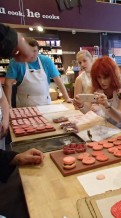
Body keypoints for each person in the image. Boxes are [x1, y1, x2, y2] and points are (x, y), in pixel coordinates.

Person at [0, 23, 44, 218]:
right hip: (25, 105)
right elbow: (7, 86)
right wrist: (18, 41)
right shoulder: (16, 64)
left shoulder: (44, 62)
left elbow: (1, 96)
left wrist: (13, 157)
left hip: (44, 104)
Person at [74, 56, 121, 134]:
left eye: (106, 77)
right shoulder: (96, 86)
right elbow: (88, 111)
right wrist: (81, 105)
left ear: (113, 75)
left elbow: (119, 117)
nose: (102, 82)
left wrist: (107, 105)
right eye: (99, 77)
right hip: (108, 127)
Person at [4, 38, 72, 107]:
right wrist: (8, 105)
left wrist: (67, 98)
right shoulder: (16, 61)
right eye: (29, 51)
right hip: (24, 104)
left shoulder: (46, 61)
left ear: (38, 50)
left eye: (35, 51)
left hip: (45, 103)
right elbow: (8, 84)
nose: (32, 54)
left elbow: (58, 80)